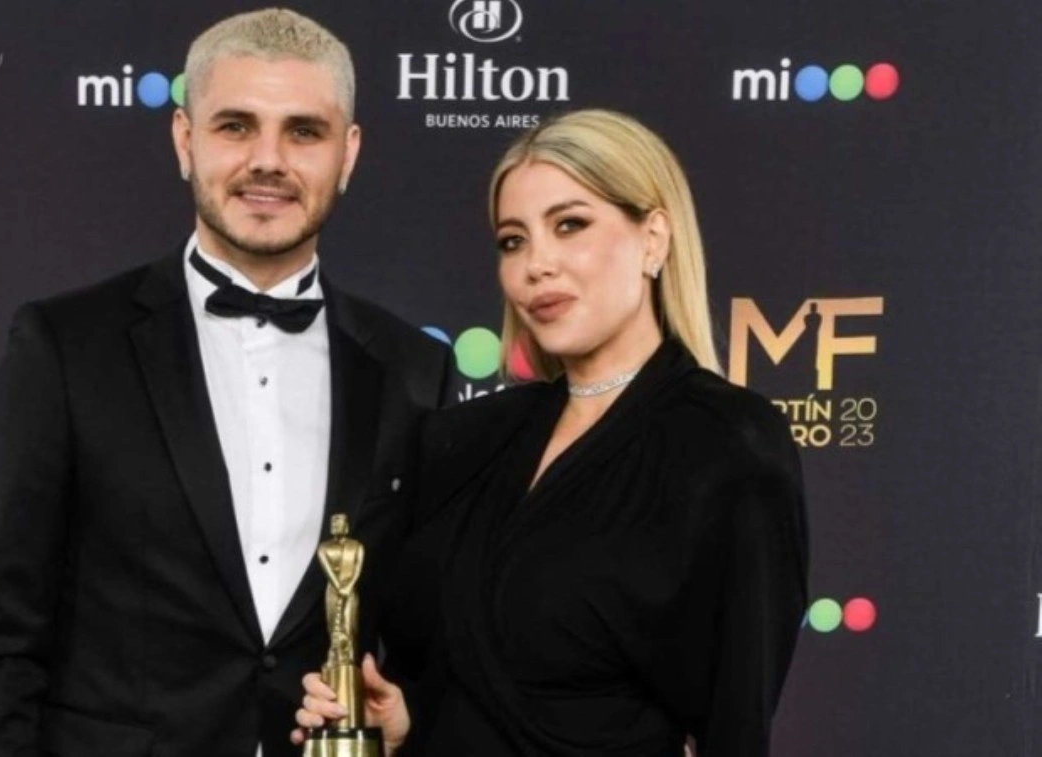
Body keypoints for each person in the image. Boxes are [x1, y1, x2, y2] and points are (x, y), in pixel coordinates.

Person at [0, 9, 451, 757]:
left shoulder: (412, 369)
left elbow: (425, 644)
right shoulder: (64, 347)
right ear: (185, 139)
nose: (268, 160)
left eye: (303, 132)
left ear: (347, 153)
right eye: (236, 126)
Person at [293, 109, 809, 756]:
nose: (537, 264)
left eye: (570, 225)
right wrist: (405, 721)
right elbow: (459, 678)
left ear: (653, 239)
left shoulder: (729, 443)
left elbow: (736, 724)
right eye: (513, 240)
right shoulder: (465, 439)